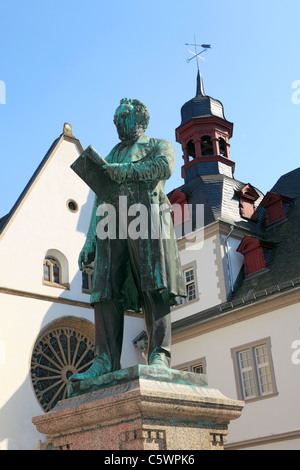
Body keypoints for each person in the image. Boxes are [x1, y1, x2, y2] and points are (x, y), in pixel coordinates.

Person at [70, 98, 186, 382]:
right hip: (111, 224)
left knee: (153, 286)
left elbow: (163, 168)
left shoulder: (159, 145)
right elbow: (100, 197)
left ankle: (159, 355)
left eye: (123, 118)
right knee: (104, 289)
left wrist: (122, 172)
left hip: (146, 218)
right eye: (115, 120)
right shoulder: (113, 152)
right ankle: (105, 360)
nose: (118, 124)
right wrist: (89, 241)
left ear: (140, 120)